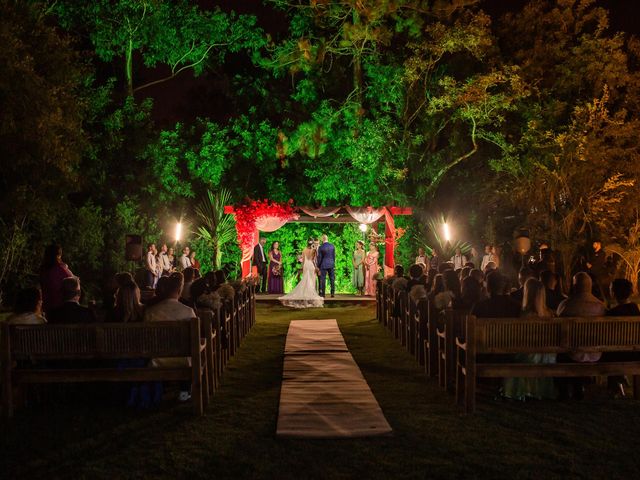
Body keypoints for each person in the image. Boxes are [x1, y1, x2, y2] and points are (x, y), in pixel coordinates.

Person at [144, 272, 196, 402]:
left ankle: (161, 389)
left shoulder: (151, 312)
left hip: (157, 360)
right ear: (179, 291)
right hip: (183, 360)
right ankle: (184, 391)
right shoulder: (188, 311)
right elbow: (196, 337)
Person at [502, 278, 557, 401]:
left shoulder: (522, 315)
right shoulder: (549, 314)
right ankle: (538, 390)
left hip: (527, 355)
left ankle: (522, 390)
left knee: (520, 355)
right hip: (547, 356)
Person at [557, 272, 606, 400]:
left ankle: (566, 391)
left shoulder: (566, 305)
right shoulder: (601, 307)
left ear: (575, 286)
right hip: (595, 354)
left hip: (573, 354)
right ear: (590, 286)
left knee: (562, 353)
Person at [279, 239, 324, 308]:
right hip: (311, 265)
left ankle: (306, 293)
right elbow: (314, 260)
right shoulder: (314, 250)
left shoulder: (304, 250)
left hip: (306, 265)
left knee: (305, 279)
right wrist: (316, 267)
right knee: (312, 280)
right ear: (312, 244)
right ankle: (311, 294)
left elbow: (303, 261)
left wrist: (302, 267)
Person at [39, 243, 74, 314]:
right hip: (62, 309)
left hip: (47, 308)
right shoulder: (62, 270)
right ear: (59, 255)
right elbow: (73, 286)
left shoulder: (43, 271)